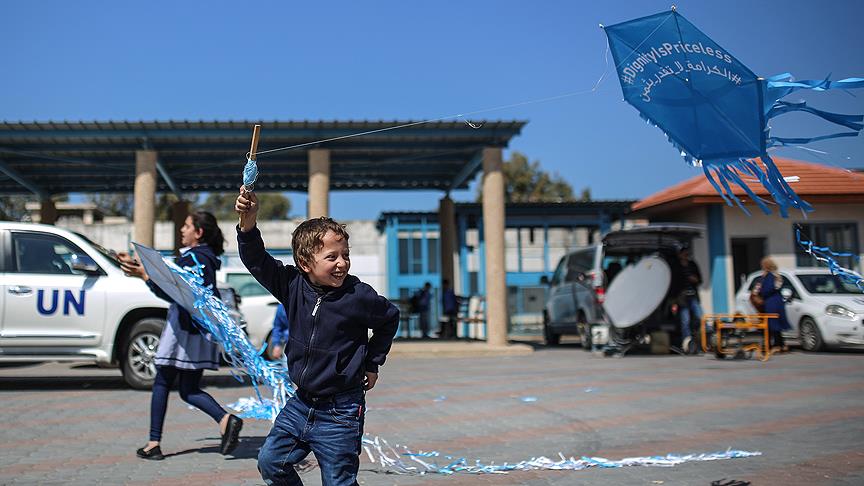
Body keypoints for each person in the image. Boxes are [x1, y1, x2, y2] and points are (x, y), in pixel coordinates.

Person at [235, 188, 399, 486]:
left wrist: (373, 362)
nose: (342, 263)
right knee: (271, 463)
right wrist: (248, 223)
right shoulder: (291, 285)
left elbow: (390, 318)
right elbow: (256, 259)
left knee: (338, 481)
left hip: (341, 411)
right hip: (300, 403)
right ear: (305, 263)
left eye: (345, 255)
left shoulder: (358, 295)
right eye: (331, 256)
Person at [118, 211, 243, 461]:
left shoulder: (194, 258)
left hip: (184, 329)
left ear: (198, 233)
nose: (182, 230)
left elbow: (178, 293)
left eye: (186, 226)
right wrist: (142, 270)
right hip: (198, 328)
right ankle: (225, 419)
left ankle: (154, 443)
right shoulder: (205, 258)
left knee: (163, 381)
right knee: (188, 389)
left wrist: (144, 276)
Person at [754, 256, 791, 353]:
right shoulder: (777, 276)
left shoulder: (769, 277)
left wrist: (760, 293)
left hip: (771, 303)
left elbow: (767, 289)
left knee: (772, 325)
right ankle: (781, 345)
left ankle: (776, 345)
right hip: (778, 302)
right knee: (776, 326)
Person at [675, 247, 703, 351]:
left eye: (687, 254)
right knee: (685, 321)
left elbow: (700, 280)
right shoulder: (677, 267)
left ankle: (701, 341)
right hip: (682, 298)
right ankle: (687, 344)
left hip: (693, 296)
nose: (685, 256)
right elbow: (673, 283)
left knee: (700, 318)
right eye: (683, 254)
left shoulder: (692, 265)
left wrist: (695, 279)